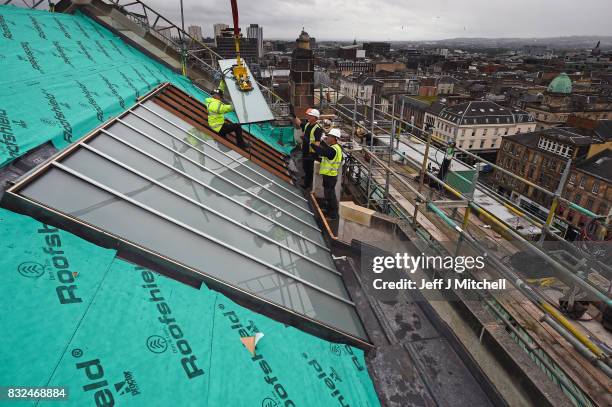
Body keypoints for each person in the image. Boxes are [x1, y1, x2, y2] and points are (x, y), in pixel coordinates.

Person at [314, 128, 343, 220]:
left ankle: (333, 215)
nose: (327, 138)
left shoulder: (333, 149)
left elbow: (323, 152)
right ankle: (328, 209)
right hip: (330, 175)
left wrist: (312, 144)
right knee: (328, 194)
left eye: (329, 136)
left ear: (334, 138)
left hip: (330, 176)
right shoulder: (336, 148)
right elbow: (327, 157)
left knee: (331, 196)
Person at [292, 108, 323, 190]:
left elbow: (317, 144)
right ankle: (306, 179)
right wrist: (294, 116)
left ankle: (308, 185)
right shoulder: (307, 125)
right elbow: (299, 123)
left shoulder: (317, 129)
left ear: (315, 117)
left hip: (311, 153)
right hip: (305, 150)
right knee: (305, 167)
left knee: (310, 169)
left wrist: (308, 141)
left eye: (309, 115)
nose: (307, 116)